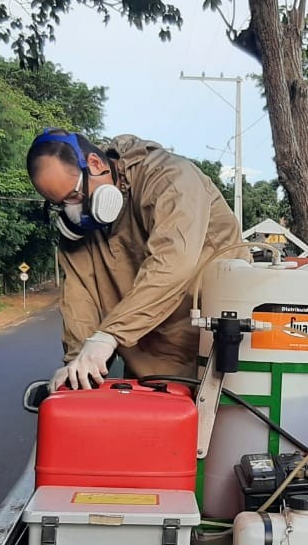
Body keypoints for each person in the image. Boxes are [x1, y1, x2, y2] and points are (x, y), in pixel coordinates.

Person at [27, 129, 240, 390]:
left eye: (73, 196)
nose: (73, 212)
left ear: (95, 163)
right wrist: (79, 363)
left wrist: (109, 336)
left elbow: (173, 263)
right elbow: (79, 295)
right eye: (60, 204)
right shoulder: (79, 230)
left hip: (216, 355)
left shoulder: (171, 179)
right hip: (149, 364)